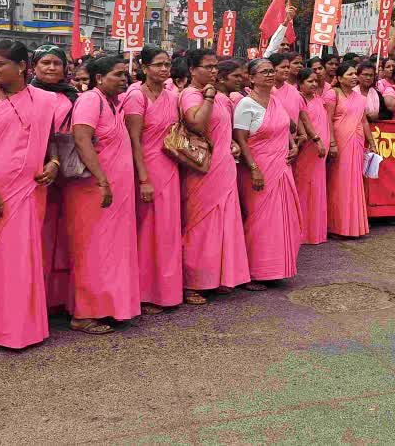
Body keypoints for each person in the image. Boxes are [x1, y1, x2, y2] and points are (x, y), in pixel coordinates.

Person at [0, 41, 64, 348]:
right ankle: (1, 328)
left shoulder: (46, 100)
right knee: (2, 261)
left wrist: (54, 164)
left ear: (21, 66)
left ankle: (24, 327)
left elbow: (52, 141)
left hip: (31, 189)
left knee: (26, 261)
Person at [63, 55, 140, 333]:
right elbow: (82, 139)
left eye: (124, 74)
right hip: (93, 189)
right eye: (118, 74)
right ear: (99, 78)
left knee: (111, 250)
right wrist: (101, 180)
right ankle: (84, 313)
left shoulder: (113, 102)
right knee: (93, 250)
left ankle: (108, 307)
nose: (124, 79)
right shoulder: (90, 100)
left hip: (113, 190)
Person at [180, 52, 250, 304]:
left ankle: (219, 277)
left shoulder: (222, 98)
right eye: (207, 67)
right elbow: (197, 124)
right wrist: (208, 96)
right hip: (202, 169)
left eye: (214, 67)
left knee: (224, 222)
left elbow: (224, 129)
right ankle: (193, 282)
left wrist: (232, 143)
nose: (212, 71)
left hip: (224, 165)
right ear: (192, 70)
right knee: (200, 225)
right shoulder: (191, 94)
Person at [123, 46, 183, 313]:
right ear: (144, 68)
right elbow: (133, 139)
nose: (163, 69)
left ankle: (166, 291)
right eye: (157, 65)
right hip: (145, 166)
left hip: (170, 164)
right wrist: (144, 178)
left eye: (167, 65)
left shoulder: (172, 95)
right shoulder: (135, 96)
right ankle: (144, 292)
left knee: (167, 229)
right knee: (146, 230)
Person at [234, 59, 303, 287]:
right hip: (258, 168)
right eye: (264, 72)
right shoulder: (245, 104)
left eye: (271, 71)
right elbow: (241, 140)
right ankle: (253, 273)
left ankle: (276, 268)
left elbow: (285, 127)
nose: (270, 75)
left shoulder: (275, 101)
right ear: (251, 78)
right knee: (258, 221)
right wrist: (254, 169)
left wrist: (292, 145)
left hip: (281, 166)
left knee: (282, 218)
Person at [31, 45, 79, 312]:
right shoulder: (25, 94)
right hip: (36, 174)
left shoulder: (74, 97)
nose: (51, 68)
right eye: (45, 63)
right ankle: (38, 298)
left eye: (57, 63)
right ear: (33, 67)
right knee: (41, 234)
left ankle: (59, 297)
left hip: (69, 174)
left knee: (64, 233)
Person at [328, 61, 377, 237]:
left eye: (355, 74)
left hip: (357, 141)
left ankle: (354, 227)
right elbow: (328, 120)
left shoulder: (360, 98)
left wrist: (371, 142)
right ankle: (337, 226)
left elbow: (363, 120)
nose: (354, 77)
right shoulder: (333, 94)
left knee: (355, 182)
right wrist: (332, 143)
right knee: (339, 183)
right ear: (339, 78)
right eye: (349, 74)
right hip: (340, 142)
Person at [295, 67, 332, 245]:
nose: (314, 84)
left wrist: (329, 142)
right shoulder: (299, 100)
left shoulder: (319, 99)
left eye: (315, 81)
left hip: (320, 151)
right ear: (300, 84)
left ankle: (316, 232)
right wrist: (316, 141)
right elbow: (301, 124)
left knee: (317, 188)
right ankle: (301, 232)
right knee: (303, 187)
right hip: (308, 149)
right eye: (309, 81)